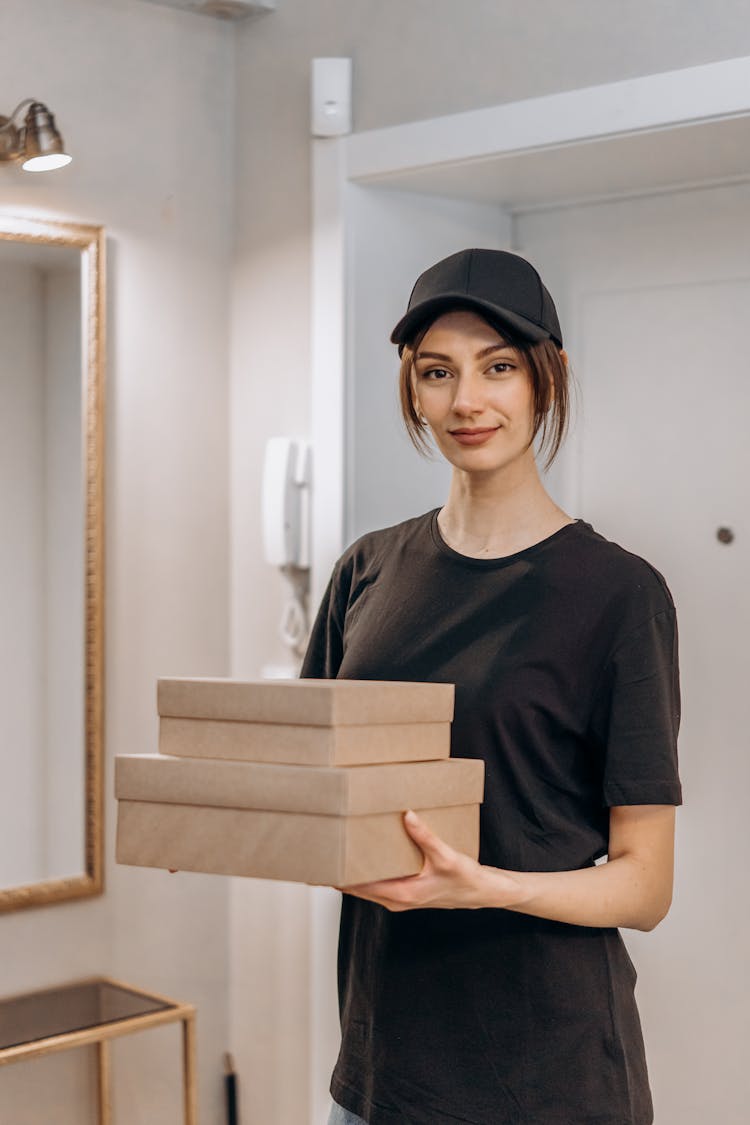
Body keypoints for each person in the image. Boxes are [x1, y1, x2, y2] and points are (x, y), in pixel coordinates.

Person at [301, 248, 682, 1125]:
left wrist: (484, 883)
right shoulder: (368, 570)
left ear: (547, 380)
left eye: (498, 367)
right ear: (413, 390)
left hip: (545, 1080)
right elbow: (315, 792)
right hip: (378, 1073)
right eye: (437, 372)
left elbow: (645, 885)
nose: (465, 401)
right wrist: (227, 820)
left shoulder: (620, 594)